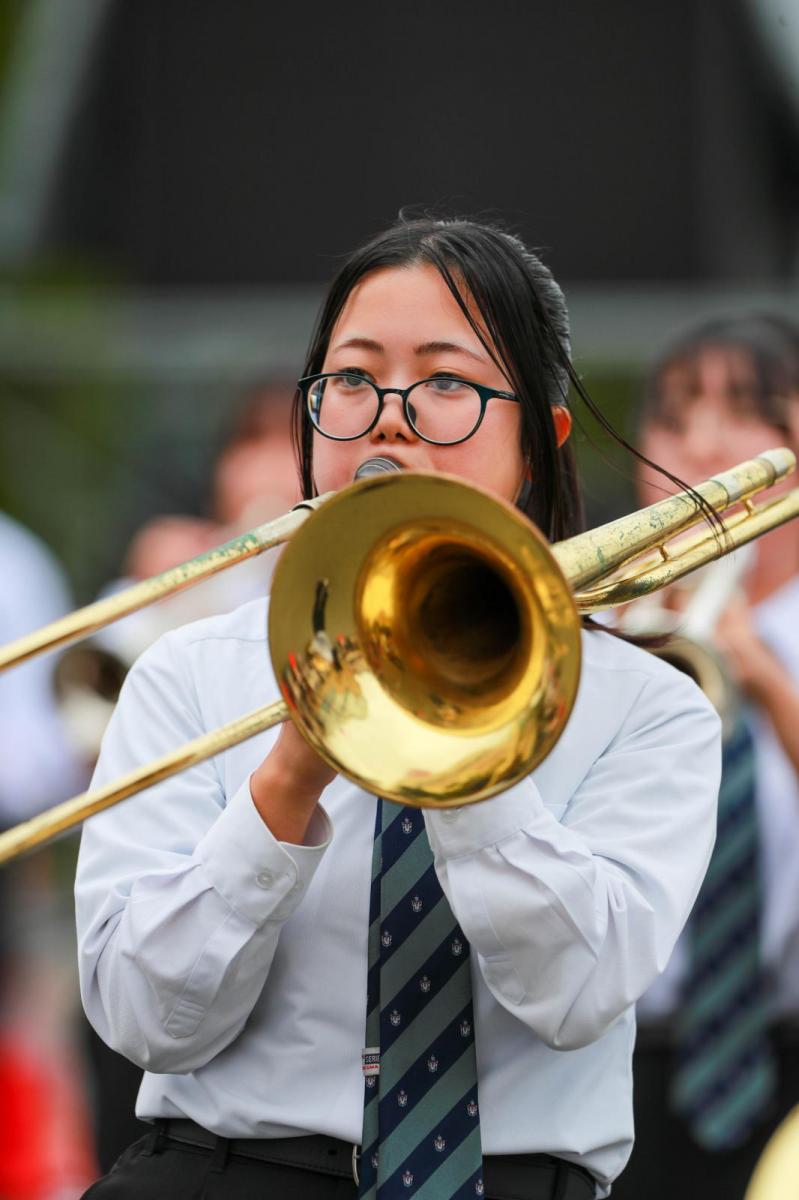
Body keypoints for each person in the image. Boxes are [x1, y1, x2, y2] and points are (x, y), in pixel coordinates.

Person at [74, 217, 723, 1200]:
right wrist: (287, 777)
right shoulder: (186, 672)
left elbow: (577, 992)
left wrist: (453, 738)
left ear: (539, 442)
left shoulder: (650, 704)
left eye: (447, 383)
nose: (388, 417)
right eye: (351, 380)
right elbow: (143, 1021)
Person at [611, 314, 799, 1200]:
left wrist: (759, 672)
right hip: (622, 1064)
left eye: (745, 411)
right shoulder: (605, 631)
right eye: (676, 418)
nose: (706, 445)